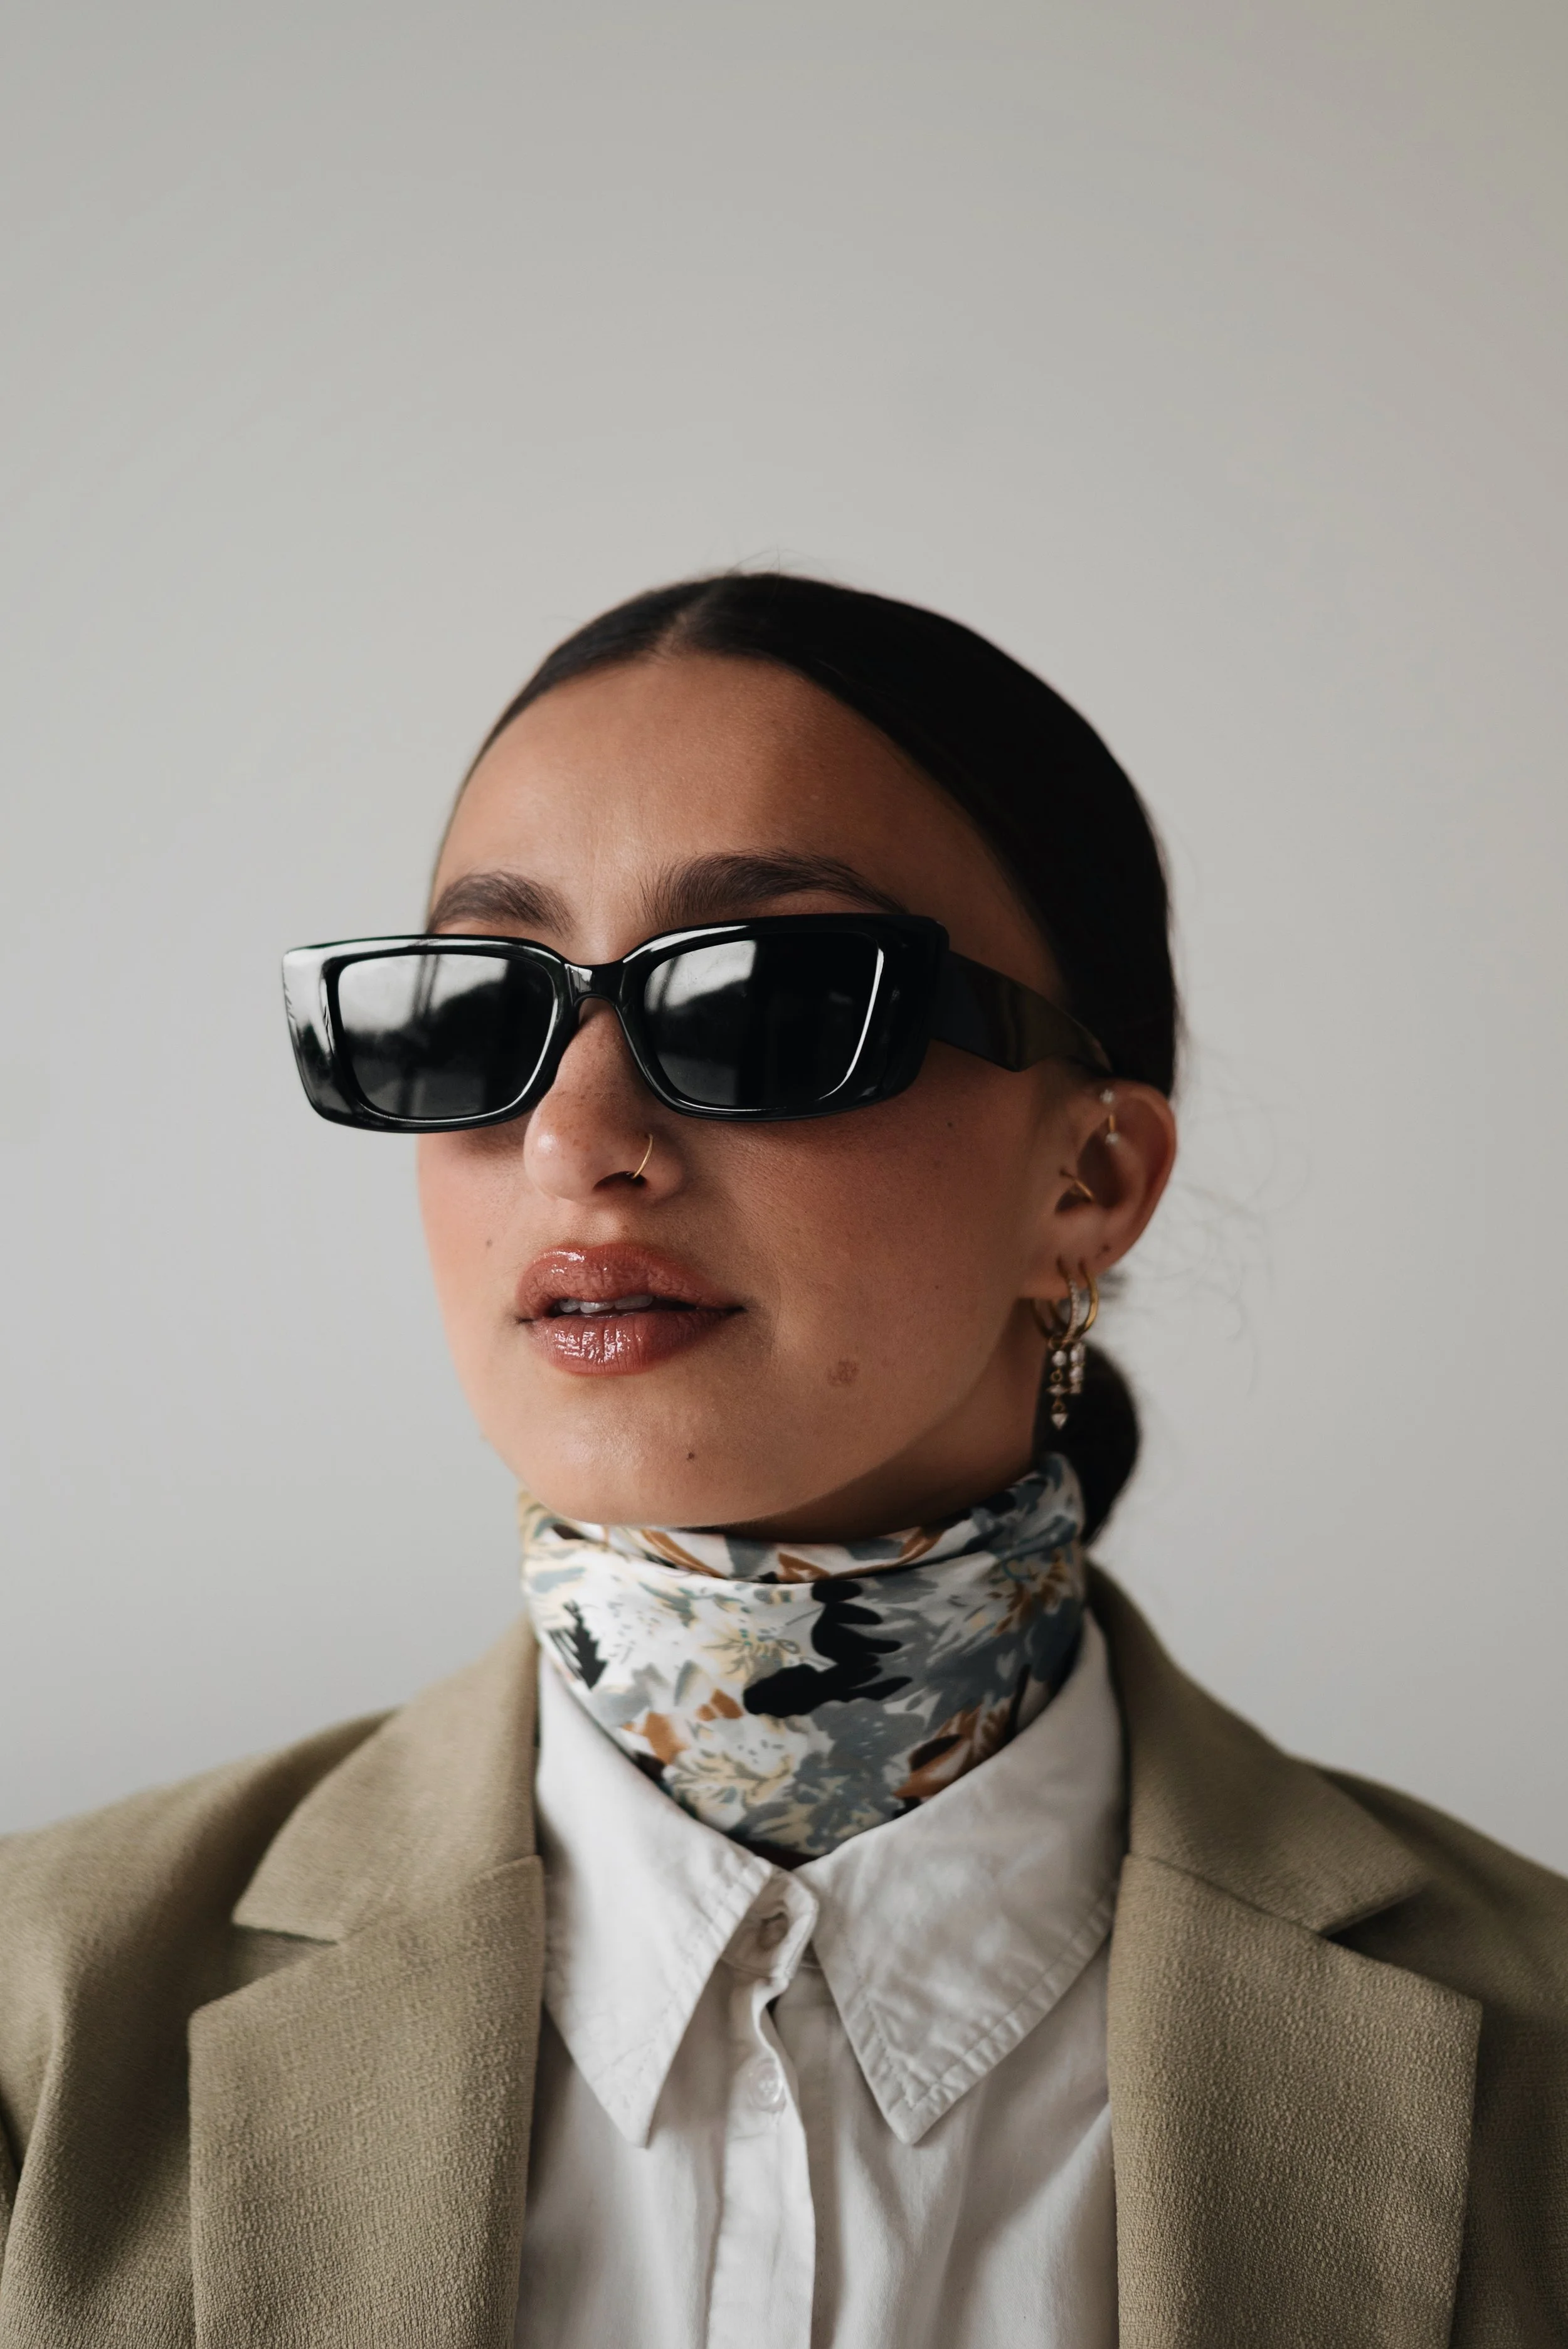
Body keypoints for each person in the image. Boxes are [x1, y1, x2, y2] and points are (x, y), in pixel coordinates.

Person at [0, 573, 1563, 2348]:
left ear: (1090, 1180)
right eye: (477, 1009)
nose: (575, 1141)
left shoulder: (1534, 2065)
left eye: (765, 999)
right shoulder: (35, 2032)